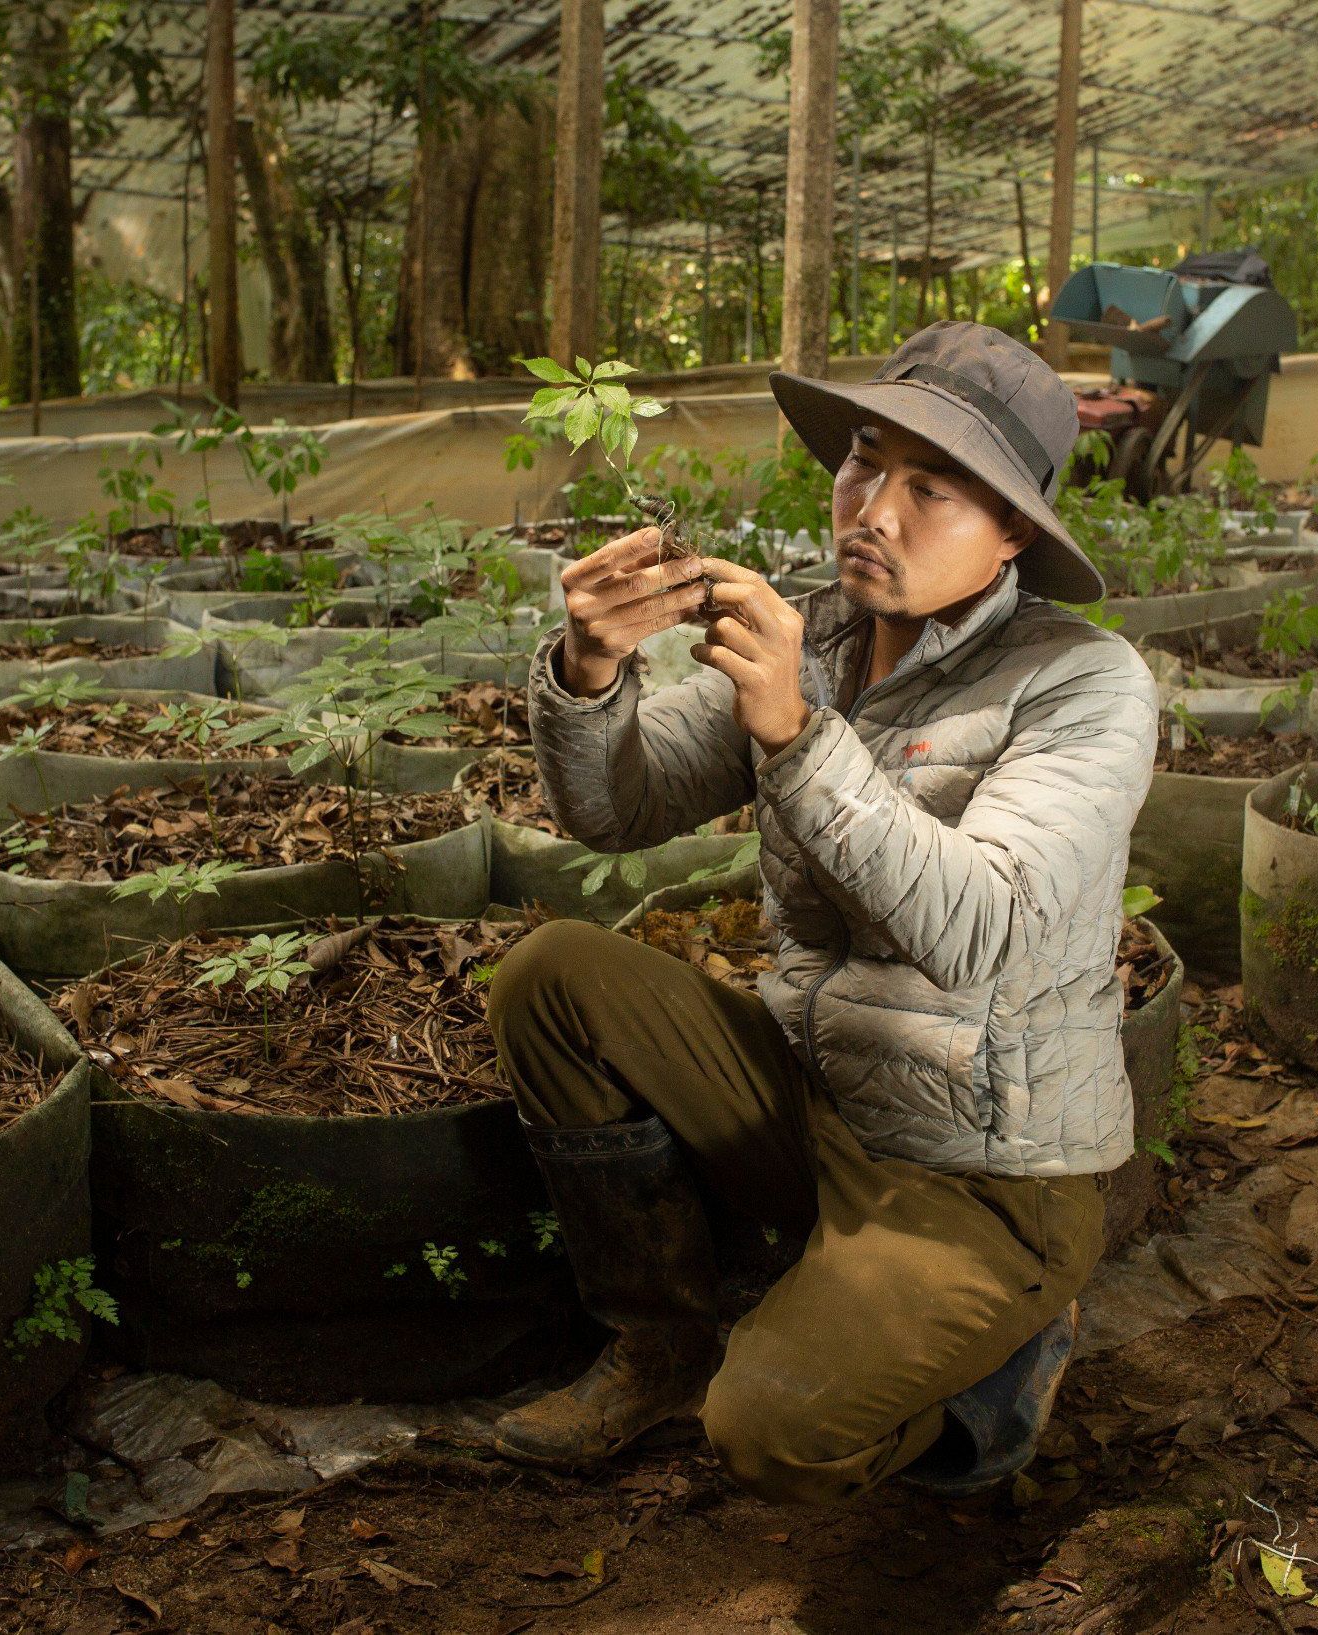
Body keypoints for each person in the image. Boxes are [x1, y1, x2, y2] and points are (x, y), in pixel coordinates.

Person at [486, 321, 1158, 1504]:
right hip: (813, 1095)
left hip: (977, 1168)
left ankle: (987, 1384)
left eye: (931, 488)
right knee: (556, 978)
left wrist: (797, 737)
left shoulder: (1082, 683)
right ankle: (659, 1341)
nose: (874, 511)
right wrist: (589, 673)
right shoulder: (821, 637)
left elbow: (978, 930)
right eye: (864, 462)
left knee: (770, 1432)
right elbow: (618, 810)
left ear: (1012, 531)